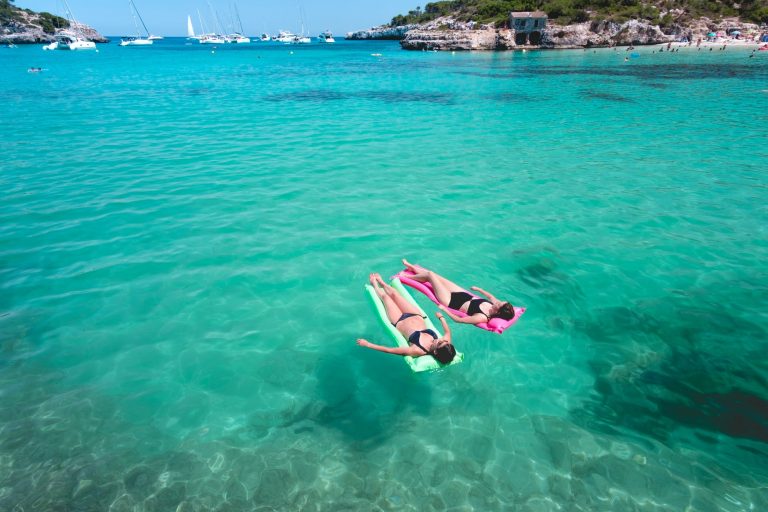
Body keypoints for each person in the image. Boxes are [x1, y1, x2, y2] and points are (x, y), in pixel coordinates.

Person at [357, 274, 456, 363]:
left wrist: (368, 344)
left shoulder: (417, 350)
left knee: (386, 298)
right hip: (415, 315)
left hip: (399, 320)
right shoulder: (445, 343)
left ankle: (374, 284)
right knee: (395, 295)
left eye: (440, 343)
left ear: (435, 351)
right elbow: (448, 332)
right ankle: (382, 282)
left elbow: (390, 350)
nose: (441, 340)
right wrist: (441, 318)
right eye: (444, 341)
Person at [401, 259, 516, 325]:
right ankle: (412, 268)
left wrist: (445, 310)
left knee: (430, 275)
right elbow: (490, 296)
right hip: (462, 294)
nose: (498, 301)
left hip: (449, 301)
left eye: (500, 304)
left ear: (498, 311)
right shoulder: (494, 305)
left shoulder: (482, 317)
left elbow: (459, 320)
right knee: (435, 276)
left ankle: (406, 276)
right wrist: (479, 289)